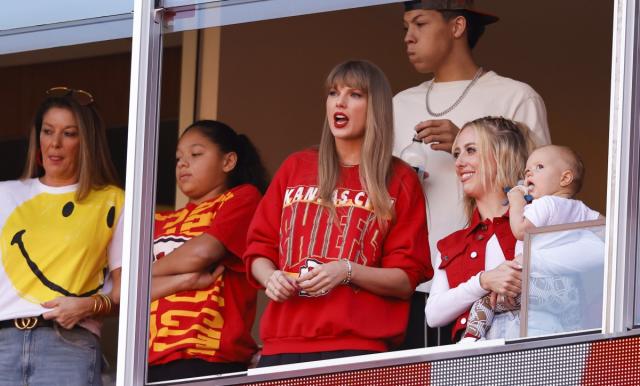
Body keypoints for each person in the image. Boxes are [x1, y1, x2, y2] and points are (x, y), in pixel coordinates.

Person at [244, 60, 432, 366]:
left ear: (376, 107)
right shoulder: (296, 166)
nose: (340, 102)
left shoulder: (399, 179)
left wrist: (347, 271)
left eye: (355, 94)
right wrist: (271, 278)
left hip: (358, 348)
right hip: (282, 346)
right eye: (333, 93)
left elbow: (405, 279)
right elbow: (258, 248)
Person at [395, 0, 552, 346]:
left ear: (457, 27)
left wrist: (466, 140)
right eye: (406, 27)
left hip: (505, 282)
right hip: (419, 282)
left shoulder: (516, 96)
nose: (408, 37)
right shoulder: (398, 105)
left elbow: (543, 188)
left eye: (419, 24)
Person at [0, 87, 124, 385]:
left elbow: (128, 294)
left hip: (68, 343)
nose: (54, 144)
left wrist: (87, 305)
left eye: (69, 133)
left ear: (86, 142)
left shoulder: (112, 201)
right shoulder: (5, 194)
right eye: (47, 131)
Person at [147, 120, 268, 382]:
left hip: (211, 359)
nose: (182, 163)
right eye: (178, 157)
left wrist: (145, 275)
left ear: (228, 161)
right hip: (148, 360)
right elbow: (123, 292)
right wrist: (185, 279)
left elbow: (203, 252)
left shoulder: (242, 198)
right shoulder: (157, 220)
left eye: (196, 154)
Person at [461, 145, 602, 341]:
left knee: (486, 301)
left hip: (536, 282)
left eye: (539, 167)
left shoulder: (545, 203)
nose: (529, 173)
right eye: (527, 170)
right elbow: (607, 228)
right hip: (567, 288)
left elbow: (521, 230)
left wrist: (516, 199)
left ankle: (471, 338)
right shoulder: (581, 209)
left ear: (565, 178)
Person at [425, 116, 531, 343]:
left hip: (537, 348)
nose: (459, 162)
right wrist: (483, 281)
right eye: (456, 154)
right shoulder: (452, 244)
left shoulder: (535, 220)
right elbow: (433, 315)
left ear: (501, 155)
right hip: (474, 363)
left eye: (470, 150)